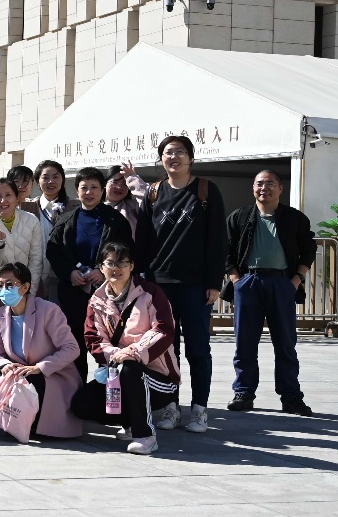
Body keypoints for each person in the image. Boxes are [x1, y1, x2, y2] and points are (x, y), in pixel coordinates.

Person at [135, 134, 227, 434]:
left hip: (196, 285)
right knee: (166, 350)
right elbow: (143, 240)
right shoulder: (153, 193)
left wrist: (214, 282)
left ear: (191, 158)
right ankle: (170, 407)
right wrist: (142, 281)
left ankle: (199, 410)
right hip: (160, 284)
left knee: (198, 349)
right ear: (161, 159)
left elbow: (218, 239)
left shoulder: (206, 190)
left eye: (179, 152)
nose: (173, 157)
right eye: (168, 152)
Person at [72, 242, 181, 455]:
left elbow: (163, 330)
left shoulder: (151, 293)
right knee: (82, 403)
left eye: (123, 263)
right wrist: (116, 355)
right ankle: (129, 422)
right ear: (101, 267)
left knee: (131, 370)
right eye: (110, 263)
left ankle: (145, 435)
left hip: (159, 379)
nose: (117, 268)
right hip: (118, 371)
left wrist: (132, 352)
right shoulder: (96, 300)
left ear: (132, 266)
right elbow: (94, 338)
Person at [225, 169, 315, 416]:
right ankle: (244, 393)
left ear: (280, 188)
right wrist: (236, 279)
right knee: (244, 343)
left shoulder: (294, 218)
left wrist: (296, 279)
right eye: (259, 184)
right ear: (253, 188)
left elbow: (309, 249)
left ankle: (291, 397)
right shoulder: (240, 216)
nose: (264, 188)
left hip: (282, 283)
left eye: (270, 183)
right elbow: (226, 248)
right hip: (248, 283)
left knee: (285, 343)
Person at [46, 167, 133, 380]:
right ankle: (77, 391)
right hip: (73, 293)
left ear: (102, 190)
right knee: (75, 344)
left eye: (94, 187)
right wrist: (69, 273)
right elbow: (53, 252)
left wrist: (104, 272)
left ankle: (108, 390)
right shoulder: (65, 220)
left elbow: (127, 252)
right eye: (84, 187)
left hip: (108, 294)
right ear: (77, 190)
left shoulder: (116, 221)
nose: (89, 192)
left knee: (107, 343)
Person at [0, 262, 82, 440]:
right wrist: (5, 365)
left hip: (53, 375)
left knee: (32, 381)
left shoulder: (48, 310)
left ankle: (37, 425)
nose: (4, 290)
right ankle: (15, 424)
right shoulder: (0, 315)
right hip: (20, 372)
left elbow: (71, 348)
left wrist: (40, 367)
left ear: (25, 287)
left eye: (10, 284)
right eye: (0, 286)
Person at [23, 159, 72, 305]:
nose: (51, 181)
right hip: (36, 273)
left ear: (62, 179)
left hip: (66, 274)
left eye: (56, 177)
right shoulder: (27, 207)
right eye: (45, 177)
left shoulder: (75, 206)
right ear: (38, 181)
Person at [105, 162, 147, 237]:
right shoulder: (95, 207)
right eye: (115, 182)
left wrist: (132, 178)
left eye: (124, 184)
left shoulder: (134, 206)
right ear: (105, 184)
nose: (119, 187)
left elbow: (148, 199)